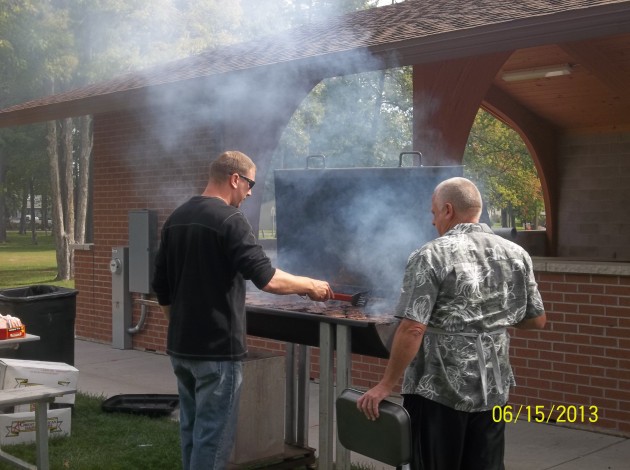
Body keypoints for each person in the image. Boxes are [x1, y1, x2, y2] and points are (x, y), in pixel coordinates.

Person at [151, 150, 333, 470]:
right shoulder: (230, 220)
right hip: (218, 352)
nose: (250, 193)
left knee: (192, 431)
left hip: (181, 349)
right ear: (235, 179)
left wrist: (179, 327)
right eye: (250, 184)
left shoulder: (176, 217)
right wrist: (309, 285)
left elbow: (161, 288)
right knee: (213, 440)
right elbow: (267, 278)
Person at [357, 177, 546, 470]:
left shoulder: (431, 254)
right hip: (493, 390)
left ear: (447, 209)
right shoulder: (516, 254)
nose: (433, 221)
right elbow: (536, 320)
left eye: (434, 213)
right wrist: (488, 319)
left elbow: (413, 328)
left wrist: (386, 384)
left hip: (438, 391)